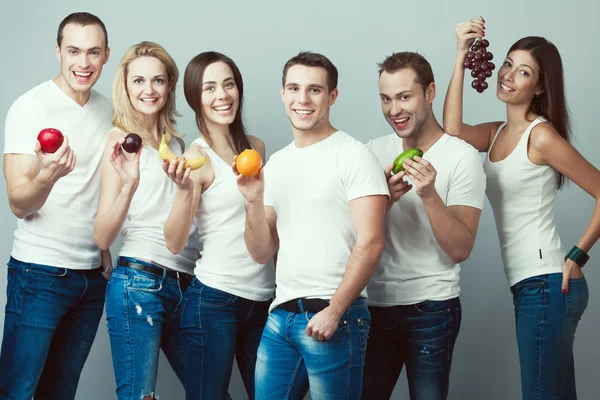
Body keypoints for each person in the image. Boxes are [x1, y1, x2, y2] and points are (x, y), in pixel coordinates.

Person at [443, 18, 599, 400]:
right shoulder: (496, 132)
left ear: (540, 86)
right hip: (532, 287)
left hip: (547, 284)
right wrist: (462, 55)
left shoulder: (541, 136)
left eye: (524, 71)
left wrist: (578, 255)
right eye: (508, 63)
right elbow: (451, 131)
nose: (508, 75)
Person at [233, 51, 389, 399]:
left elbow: (372, 242)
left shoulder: (353, 155)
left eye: (314, 90)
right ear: (283, 93)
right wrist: (253, 200)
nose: (302, 99)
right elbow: (261, 252)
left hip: (336, 316)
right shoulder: (276, 163)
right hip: (281, 318)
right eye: (294, 88)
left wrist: (334, 311)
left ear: (332, 96)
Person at [361, 51, 486, 400]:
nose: (394, 109)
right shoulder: (372, 152)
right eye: (386, 99)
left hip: (432, 307)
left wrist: (430, 196)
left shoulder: (460, 156)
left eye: (404, 96)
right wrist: (386, 199)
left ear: (430, 93)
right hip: (374, 306)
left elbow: (460, 249)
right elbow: (352, 235)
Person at [0, 12, 112, 399]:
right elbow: (17, 202)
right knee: (17, 390)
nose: (84, 63)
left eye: (93, 52)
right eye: (74, 51)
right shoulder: (31, 107)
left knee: (60, 392)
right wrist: (47, 175)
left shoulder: (109, 110)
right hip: (40, 274)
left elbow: (104, 190)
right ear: (58, 52)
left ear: (106, 55)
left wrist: (105, 248)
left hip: (91, 278)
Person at [162, 51, 274, 400]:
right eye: (210, 88)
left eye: (228, 84)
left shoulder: (256, 149)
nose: (222, 95)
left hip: (264, 299)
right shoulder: (197, 159)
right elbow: (175, 242)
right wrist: (183, 192)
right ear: (196, 97)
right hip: (215, 301)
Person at [93, 41, 198, 400]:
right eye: (138, 81)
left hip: (186, 285)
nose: (148, 90)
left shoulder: (178, 145)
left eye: (157, 80)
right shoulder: (119, 142)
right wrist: (130, 184)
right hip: (139, 282)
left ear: (170, 84)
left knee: (208, 390)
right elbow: (103, 235)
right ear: (125, 86)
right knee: (141, 397)